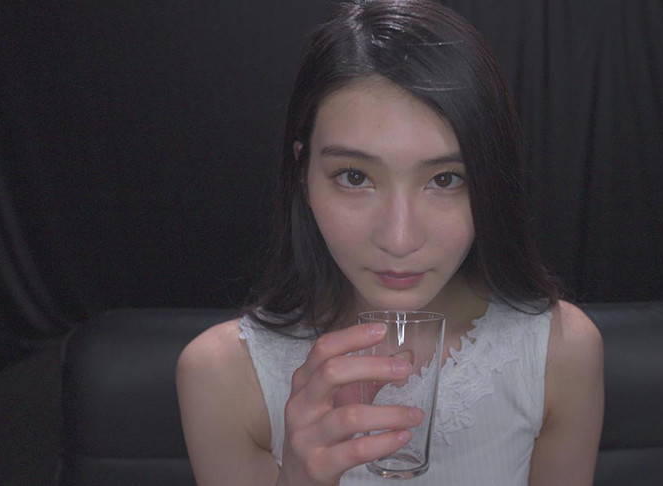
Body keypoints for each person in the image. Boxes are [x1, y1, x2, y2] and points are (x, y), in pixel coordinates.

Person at [176, 1, 604, 485]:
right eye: (355, 176)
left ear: (489, 182)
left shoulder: (560, 352)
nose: (399, 239)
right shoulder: (222, 377)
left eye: (445, 179)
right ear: (303, 175)